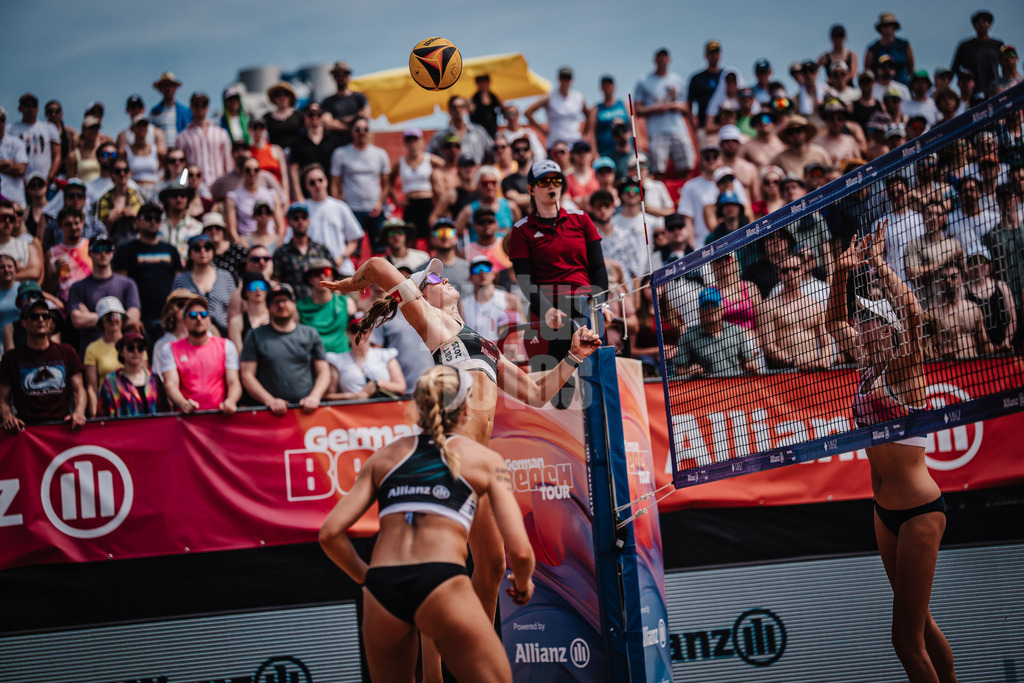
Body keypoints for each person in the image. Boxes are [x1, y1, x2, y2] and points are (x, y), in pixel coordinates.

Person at [319, 365, 535, 683]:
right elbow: (520, 552)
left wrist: (370, 579)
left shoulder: (384, 457)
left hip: (383, 588)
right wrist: (522, 584)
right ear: (465, 409)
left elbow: (329, 534)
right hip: (440, 579)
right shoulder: (483, 459)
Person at [825, 223, 956, 682]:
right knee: (918, 625)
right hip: (884, 511)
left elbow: (916, 315)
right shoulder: (866, 368)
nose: (860, 325)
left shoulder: (905, 368)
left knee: (904, 641)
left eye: (869, 320)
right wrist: (841, 274)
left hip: (920, 509)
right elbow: (831, 321)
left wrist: (879, 265)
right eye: (861, 319)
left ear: (889, 328)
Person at [507, 160, 609, 373]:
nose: (552, 185)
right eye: (544, 181)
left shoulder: (581, 219)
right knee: (556, 381)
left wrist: (602, 304)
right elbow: (525, 280)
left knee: (593, 373)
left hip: (585, 305)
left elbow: (598, 268)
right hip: (548, 308)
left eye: (556, 180)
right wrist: (547, 309)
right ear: (531, 189)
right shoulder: (521, 229)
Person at [240, 283, 330, 414]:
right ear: (268, 308)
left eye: (285, 300)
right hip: (269, 413)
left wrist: (315, 397)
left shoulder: (310, 333)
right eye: (275, 302)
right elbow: (247, 375)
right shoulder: (255, 335)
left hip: (306, 412)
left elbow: (324, 371)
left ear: (293, 304)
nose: (281, 305)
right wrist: (269, 400)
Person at [0, 298, 86, 432]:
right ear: (23, 323)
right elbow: (3, 397)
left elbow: (79, 390)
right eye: (34, 316)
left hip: (63, 427)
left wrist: (79, 412)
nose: (41, 320)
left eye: (45, 316)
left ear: (50, 322)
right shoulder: (11, 358)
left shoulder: (67, 352)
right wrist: (7, 417)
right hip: (26, 431)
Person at [158, 296, 241, 415]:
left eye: (203, 314)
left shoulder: (226, 346)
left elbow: (234, 382)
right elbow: (170, 384)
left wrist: (231, 401)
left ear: (209, 320)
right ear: (184, 321)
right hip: (188, 420)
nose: (198, 318)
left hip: (220, 417)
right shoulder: (170, 349)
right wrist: (183, 403)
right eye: (192, 315)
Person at [114, 202, 183, 340]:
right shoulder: (125, 250)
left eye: (157, 219)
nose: (153, 222)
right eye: (148, 217)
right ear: (138, 221)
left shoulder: (171, 250)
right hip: (138, 320)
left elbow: (179, 285)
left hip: (167, 319)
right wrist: (131, 317)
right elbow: (119, 286)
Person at [67, 235, 141, 356]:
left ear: (112, 253)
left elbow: (133, 318)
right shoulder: (77, 287)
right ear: (89, 253)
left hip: (122, 353)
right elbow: (77, 320)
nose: (102, 253)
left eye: (107, 248)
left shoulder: (128, 284)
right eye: (97, 249)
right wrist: (119, 317)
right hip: (90, 353)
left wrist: (90, 316)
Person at [761, 254, 834, 369]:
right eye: (785, 270)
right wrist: (794, 363)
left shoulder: (816, 306)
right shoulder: (768, 306)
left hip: (814, 371)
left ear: (803, 270)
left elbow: (827, 343)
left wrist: (824, 360)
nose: (791, 273)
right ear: (779, 274)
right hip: (786, 373)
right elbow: (768, 346)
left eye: (795, 269)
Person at [634, 49, 696, 177]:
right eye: (659, 57)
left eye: (665, 57)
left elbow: (687, 107)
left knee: (686, 166)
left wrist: (675, 106)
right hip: (656, 131)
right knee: (658, 169)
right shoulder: (644, 81)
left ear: (669, 59)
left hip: (678, 129)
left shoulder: (678, 80)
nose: (662, 60)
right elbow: (638, 109)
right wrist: (656, 108)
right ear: (655, 60)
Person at [670, 287, 757, 377]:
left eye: (715, 304)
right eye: (706, 305)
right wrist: (690, 372)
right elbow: (679, 372)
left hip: (735, 387)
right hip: (704, 389)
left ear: (722, 308)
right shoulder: (687, 336)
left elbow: (748, 361)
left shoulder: (736, 331)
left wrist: (752, 365)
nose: (710, 308)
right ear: (699, 312)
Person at [298, 164, 363, 275]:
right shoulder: (301, 209)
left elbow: (353, 240)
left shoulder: (340, 207)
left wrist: (340, 258)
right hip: (314, 273)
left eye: (320, 180)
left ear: (326, 181)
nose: (317, 185)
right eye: (312, 182)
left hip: (342, 269)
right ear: (306, 186)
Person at [325, 311, 406, 400]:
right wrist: (352, 396)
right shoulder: (337, 360)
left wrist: (378, 383)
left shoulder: (385, 355)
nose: (360, 334)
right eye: (354, 330)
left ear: (371, 331)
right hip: (352, 411)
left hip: (383, 410)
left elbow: (401, 388)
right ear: (347, 333)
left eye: (364, 330)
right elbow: (329, 395)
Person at [171, 233, 235, 336]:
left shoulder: (226, 277)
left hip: (224, 332)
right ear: (190, 253)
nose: (202, 251)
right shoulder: (181, 279)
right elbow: (175, 309)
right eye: (197, 248)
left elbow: (233, 310)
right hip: (191, 332)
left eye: (207, 247)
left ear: (213, 252)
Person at [97, 326, 164, 417]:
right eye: (130, 348)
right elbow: (103, 416)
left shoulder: (154, 379)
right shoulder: (110, 381)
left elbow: (164, 412)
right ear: (121, 352)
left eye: (140, 348)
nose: (136, 352)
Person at [389, 127, 443, 242]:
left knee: (431, 238)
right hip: (410, 204)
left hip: (428, 201)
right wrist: (396, 200)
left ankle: (432, 260)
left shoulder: (430, 159)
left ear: (421, 141)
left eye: (415, 139)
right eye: (409, 140)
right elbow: (388, 182)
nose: (412, 143)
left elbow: (449, 170)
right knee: (410, 239)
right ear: (405, 143)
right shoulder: (400, 162)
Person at [273, 202, 334, 299]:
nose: (300, 221)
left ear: (308, 221)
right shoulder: (281, 253)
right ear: (288, 222)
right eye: (295, 218)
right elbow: (276, 281)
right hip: (294, 306)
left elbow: (333, 276)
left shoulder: (321, 249)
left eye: (304, 217)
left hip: (321, 304)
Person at [176, 92, 233, 190]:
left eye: (203, 104)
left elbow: (228, 163)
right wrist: (182, 186)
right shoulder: (182, 137)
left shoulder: (221, 134)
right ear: (191, 107)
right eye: (196, 105)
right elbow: (181, 166)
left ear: (208, 107)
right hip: (195, 188)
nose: (200, 108)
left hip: (218, 186)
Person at [82, 296, 128, 416]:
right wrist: (94, 414)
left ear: (123, 318)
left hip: (132, 403)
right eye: (108, 317)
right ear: (102, 321)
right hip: (107, 404)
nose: (113, 320)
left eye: (117, 315)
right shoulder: (92, 348)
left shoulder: (135, 345)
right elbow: (92, 387)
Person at [964, 247, 1016, 352]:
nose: (978, 265)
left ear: (989, 265)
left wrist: (1006, 341)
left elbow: (1013, 319)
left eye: (982, 261)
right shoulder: (964, 292)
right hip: (981, 353)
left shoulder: (1001, 287)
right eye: (973, 261)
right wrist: (988, 347)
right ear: (968, 267)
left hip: (1004, 349)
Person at [8, 94, 61, 190]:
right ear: (20, 108)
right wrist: (19, 179)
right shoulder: (11, 129)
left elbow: (57, 155)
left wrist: (49, 179)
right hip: (19, 185)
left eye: (34, 105)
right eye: (27, 105)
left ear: (38, 108)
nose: (30, 108)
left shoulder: (49, 128)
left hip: (46, 185)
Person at [525, 66, 588, 148]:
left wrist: (584, 132)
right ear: (558, 80)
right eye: (563, 78)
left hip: (574, 142)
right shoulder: (550, 97)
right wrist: (543, 130)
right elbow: (528, 112)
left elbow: (589, 114)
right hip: (555, 143)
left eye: (567, 78)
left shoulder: (578, 97)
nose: (565, 81)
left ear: (571, 80)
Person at [226, 157, 283, 245]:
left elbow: (281, 225)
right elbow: (232, 229)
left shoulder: (271, 194)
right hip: (247, 243)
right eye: (248, 170)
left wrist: (276, 244)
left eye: (256, 170)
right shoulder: (233, 197)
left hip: (270, 242)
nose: (252, 173)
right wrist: (243, 247)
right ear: (241, 172)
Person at [951, 10, 1004, 97]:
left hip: (994, 91)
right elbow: (954, 68)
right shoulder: (965, 46)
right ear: (974, 26)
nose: (981, 24)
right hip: (972, 93)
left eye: (984, 22)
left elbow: (1006, 65)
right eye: (978, 22)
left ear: (989, 25)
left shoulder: (997, 45)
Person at [428, 96, 493, 164]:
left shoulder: (479, 132)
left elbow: (493, 151)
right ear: (450, 111)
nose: (458, 110)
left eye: (461, 106)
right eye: (454, 107)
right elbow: (428, 156)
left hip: (475, 172)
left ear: (466, 109)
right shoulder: (441, 135)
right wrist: (442, 165)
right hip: (452, 173)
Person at [321, 61, 371, 146]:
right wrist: (353, 124)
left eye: (344, 73)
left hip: (359, 146)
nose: (341, 77)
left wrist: (339, 120)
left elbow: (365, 116)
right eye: (337, 74)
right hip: (337, 146)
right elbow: (328, 124)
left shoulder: (359, 98)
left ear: (348, 76)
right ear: (333, 77)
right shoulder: (327, 102)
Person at [96, 158, 145, 245]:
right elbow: (98, 232)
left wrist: (135, 215)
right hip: (112, 244)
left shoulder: (138, 196)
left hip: (136, 243)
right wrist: (110, 221)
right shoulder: (104, 199)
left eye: (125, 170)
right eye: (117, 171)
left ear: (129, 173)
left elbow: (148, 223)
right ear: (111, 174)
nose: (122, 174)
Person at [864, 12, 915, 85]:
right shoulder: (872, 49)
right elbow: (868, 71)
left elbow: (911, 67)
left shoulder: (904, 45)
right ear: (880, 28)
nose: (887, 29)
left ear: (894, 27)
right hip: (880, 89)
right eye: (884, 25)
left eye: (890, 25)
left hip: (902, 86)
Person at [227, 271, 270, 353]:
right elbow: (240, 354)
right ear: (245, 292)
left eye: (261, 286)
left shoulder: (275, 317)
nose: (258, 290)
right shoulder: (236, 322)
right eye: (253, 286)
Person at [149, 72, 192, 148]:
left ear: (175, 88)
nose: (167, 89)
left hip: (180, 153)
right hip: (162, 153)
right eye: (164, 86)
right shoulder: (154, 112)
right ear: (160, 89)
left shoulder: (185, 111)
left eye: (170, 85)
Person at [590, 75, 630, 157]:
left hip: (624, 151)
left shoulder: (624, 105)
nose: (607, 88)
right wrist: (594, 153)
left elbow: (634, 126)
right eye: (605, 86)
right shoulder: (596, 109)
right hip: (604, 151)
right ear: (601, 88)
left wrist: (637, 146)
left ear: (614, 87)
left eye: (609, 85)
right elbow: (591, 133)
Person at [263, 81, 304, 157]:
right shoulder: (267, 118)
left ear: (290, 97)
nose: (282, 97)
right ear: (274, 98)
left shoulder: (300, 115)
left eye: (286, 94)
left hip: (297, 155)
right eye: (278, 95)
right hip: (275, 156)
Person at [0, 107, 29, 208]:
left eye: (2, 119)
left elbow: (21, 170)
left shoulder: (16, 143)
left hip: (15, 199)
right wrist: (7, 163)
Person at [469, 74, 503, 139]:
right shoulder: (473, 100)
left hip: (493, 133)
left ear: (489, 82)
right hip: (478, 135)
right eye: (480, 81)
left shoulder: (494, 98)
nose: (483, 83)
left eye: (485, 80)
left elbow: (504, 112)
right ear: (476, 83)